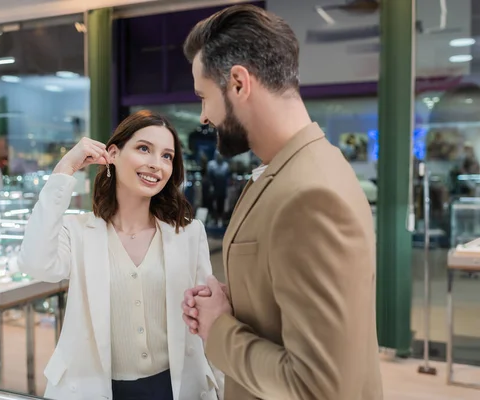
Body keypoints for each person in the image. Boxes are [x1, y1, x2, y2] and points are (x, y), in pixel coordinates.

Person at [180, 5, 383, 400]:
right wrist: (233, 299)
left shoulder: (310, 194)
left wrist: (217, 328)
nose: (204, 116)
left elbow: (316, 387)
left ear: (238, 83)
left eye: (204, 97)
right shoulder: (298, 167)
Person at [19, 110, 223, 400]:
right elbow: (35, 263)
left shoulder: (188, 234)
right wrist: (64, 169)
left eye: (167, 156)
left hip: (175, 388)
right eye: (144, 149)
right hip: (96, 389)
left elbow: (205, 322)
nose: (156, 165)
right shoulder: (78, 231)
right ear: (112, 153)